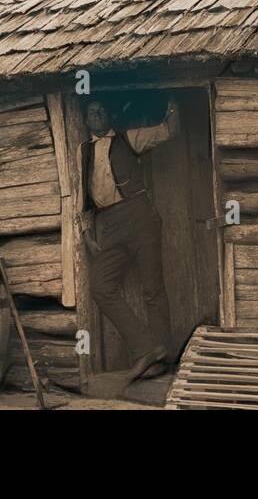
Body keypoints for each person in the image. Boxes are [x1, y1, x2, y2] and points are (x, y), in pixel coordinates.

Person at [81, 94, 179, 380]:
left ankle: (163, 361)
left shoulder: (129, 139)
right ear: (86, 119)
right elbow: (79, 195)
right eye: (91, 111)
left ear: (109, 117)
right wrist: (87, 231)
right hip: (108, 225)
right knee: (101, 286)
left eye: (101, 109)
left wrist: (173, 102)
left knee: (152, 289)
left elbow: (168, 131)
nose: (97, 114)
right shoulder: (83, 151)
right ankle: (147, 348)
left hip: (139, 217)